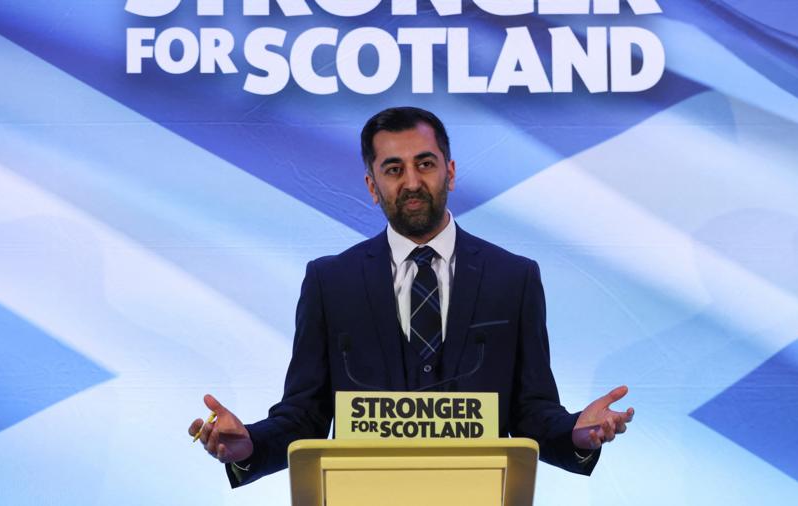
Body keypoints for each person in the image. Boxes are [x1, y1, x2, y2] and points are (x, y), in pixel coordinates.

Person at [188, 107, 634, 487]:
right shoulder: (330, 281)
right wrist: (249, 443)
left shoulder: (513, 277)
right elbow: (304, 415)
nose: (413, 182)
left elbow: (532, 412)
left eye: (425, 163)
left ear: (451, 172)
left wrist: (576, 432)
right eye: (394, 169)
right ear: (371, 185)